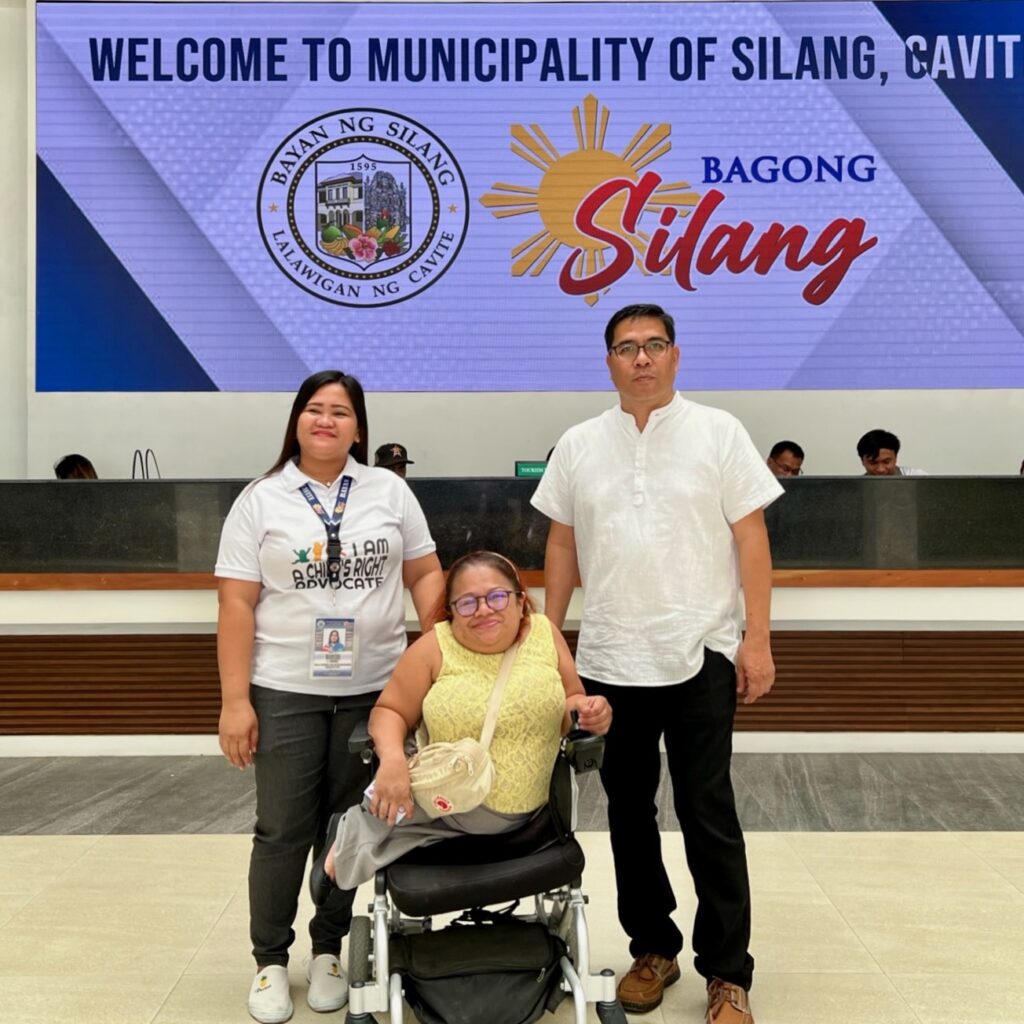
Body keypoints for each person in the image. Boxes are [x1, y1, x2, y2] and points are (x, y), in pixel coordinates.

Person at [531, 304, 783, 1024]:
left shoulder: (719, 431)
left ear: (675, 355)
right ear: (607, 361)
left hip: (701, 649)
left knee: (710, 813)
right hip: (611, 655)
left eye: (654, 345)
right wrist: (551, 640)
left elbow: (752, 540)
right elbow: (561, 546)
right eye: (625, 347)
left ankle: (728, 974)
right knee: (629, 815)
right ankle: (653, 948)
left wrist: (756, 638)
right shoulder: (579, 444)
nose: (640, 358)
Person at [214, 369, 444, 1024]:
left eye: (340, 412)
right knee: (281, 829)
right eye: (314, 410)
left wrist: (444, 654)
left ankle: (327, 950)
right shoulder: (261, 499)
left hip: (376, 690)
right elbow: (236, 603)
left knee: (350, 828)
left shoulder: (389, 491)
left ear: (359, 427)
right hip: (284, 689)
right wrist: (236, 701)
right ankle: (268, 960)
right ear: (296, 421)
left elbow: (425, 572)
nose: (325, 421)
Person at [321, 549, 611, 888]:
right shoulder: (433, 648)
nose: (484, 609)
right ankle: (365, 830)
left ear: (520, 602)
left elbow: (572, 696)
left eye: (498, 597)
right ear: (452, 612)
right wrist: (393, 760)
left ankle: (359, 834)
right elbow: (390, 712)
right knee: (417, 793)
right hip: (452, 796)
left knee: (402, 816)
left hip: (538, 811)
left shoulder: (545, 635)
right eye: (468, 603)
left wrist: (589, 711)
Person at [857, 429, 926, 476]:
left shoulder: (918, 478)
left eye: (886, 462)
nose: (881, 469)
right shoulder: (855, 488)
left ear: (896, 458)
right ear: (862, 461)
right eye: (873, 463)